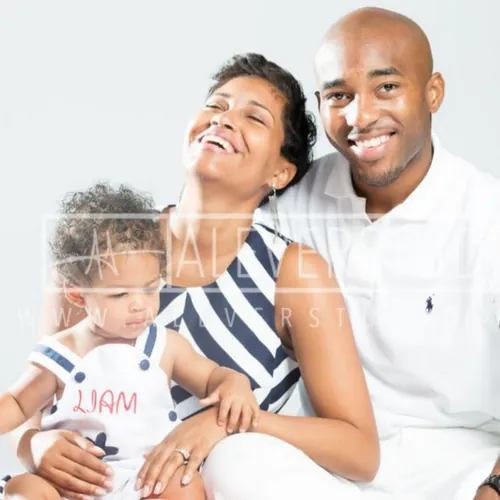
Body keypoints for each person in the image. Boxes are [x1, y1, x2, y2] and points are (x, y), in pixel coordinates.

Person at [6, 54, 379, 500]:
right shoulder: (100, 249)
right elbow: (35, 399)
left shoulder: (293, 273)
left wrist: (228, 422)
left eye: (253, 118)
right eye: (216, 105)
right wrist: (34, 445)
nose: (223, 120)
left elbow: (359, 450)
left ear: (280, 172)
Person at [253, 6, 500, 500]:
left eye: (386, 87)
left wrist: (493, 486)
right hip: (311, 467)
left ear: (433, 93)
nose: (360, 117)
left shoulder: (486, 218)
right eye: (338, 95)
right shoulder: (288, 200)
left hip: (459, 471)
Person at [0, 182, 261, 500]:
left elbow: (212, 379)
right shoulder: (62, 352)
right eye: (120, 294)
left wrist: (233, 382)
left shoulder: (165, 346)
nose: (139, 305)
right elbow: (17, 403)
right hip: (72, 483)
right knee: (23, 489)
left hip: (145, 477)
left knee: (185, 485)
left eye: (150, 289)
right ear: (78, 295)